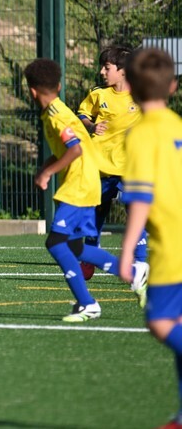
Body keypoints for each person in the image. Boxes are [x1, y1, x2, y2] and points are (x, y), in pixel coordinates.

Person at [25, 58, 144, 322]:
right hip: (87, 182)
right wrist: (46, 166)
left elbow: (75, 149)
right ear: (58, 86)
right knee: (76, 248)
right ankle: (134, 274)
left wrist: (47, 173)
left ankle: (87, 303)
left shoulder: (57, 115)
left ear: (32, 91)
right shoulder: (55, 111)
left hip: (78, 186)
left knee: (55, 242)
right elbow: (66, 148)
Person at [119, 48, 182, 429]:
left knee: (159, 321)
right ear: (172, 86)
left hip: (171, 246)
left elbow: (141, 199)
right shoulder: (177, 124)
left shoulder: (141, 134)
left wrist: (127, 251)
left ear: (130, 88)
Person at [76, 45, 148, 282]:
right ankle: (90, 256)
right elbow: (82, 115)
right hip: (101, 166)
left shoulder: (140, 95)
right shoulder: (99, 94)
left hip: (130, 168)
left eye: (107, 67)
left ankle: (141, 262)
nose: (101, 72)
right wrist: (91, 126)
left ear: (123, 70)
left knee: (135, 211)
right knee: (95, 214)